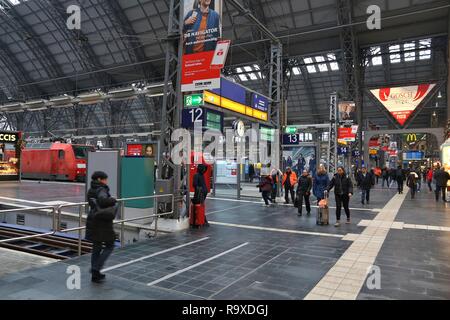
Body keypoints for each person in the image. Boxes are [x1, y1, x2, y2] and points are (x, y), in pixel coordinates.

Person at [86, 171, 117, 283]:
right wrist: (113, 200)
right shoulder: (101, 189)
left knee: (97, 246)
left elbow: (93, 204)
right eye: (105, 179)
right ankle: (96, 268)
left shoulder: (91, 190)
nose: (106, 181)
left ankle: (95, 275)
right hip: (102, 222)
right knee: (110, 245)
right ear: (99, 179)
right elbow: (103, 201)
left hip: (93, 219)